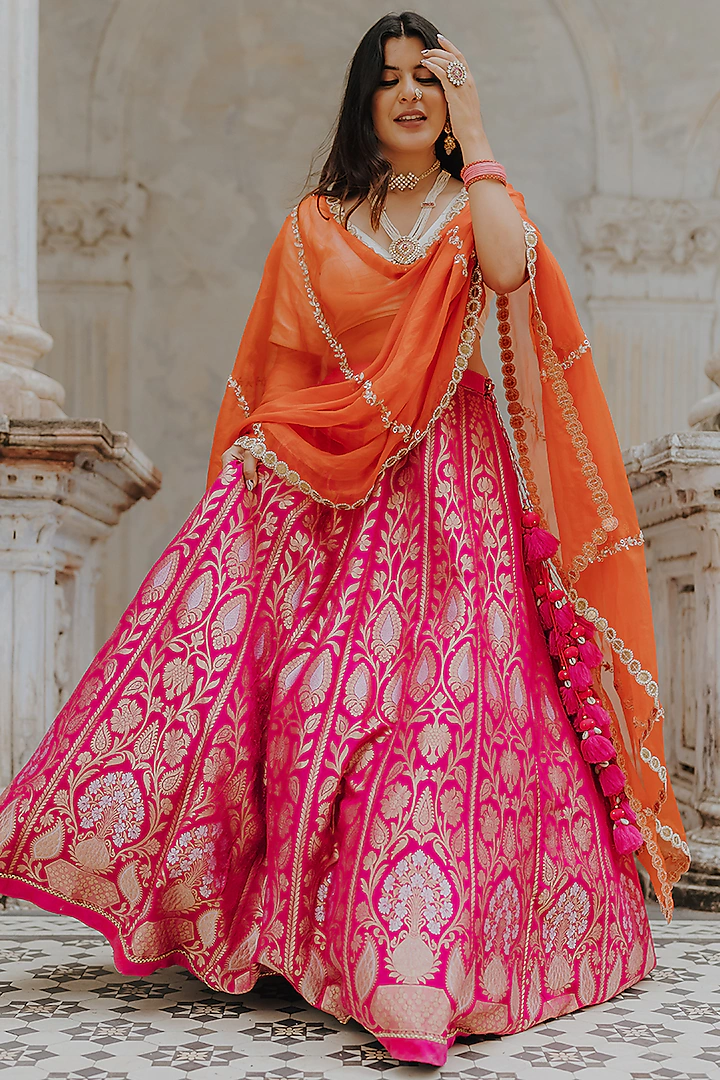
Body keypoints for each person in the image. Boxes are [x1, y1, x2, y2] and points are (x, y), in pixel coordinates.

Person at [0, 11, 689, 1067]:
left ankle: (418, 966)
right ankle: (306, 937)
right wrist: (260, 462)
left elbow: (510, 271)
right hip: (334, 510)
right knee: (320, 702)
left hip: (453, 502)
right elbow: (284, 380)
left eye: (430, 79)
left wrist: (480, 135)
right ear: (363, 101)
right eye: (391, 78)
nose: (410, 94)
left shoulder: (473, 206)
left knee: (445, 715)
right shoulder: (315, 226)